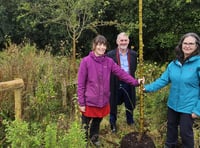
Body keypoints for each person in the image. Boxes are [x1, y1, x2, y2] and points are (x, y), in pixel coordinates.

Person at [77, 35, 143, 147]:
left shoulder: (109, 61)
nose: (102, 47)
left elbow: (121, 73)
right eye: (99, 44)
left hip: (103, 100)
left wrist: (136, 82)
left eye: (104, 45)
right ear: (94, 45)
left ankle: (94, 138)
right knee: (85, 124)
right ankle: (82, 142)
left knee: (97, 121)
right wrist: (81, 102)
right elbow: (81, 84)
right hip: (90, 100)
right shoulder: (86, 61)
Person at [144, 32, 200, 148]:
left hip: (188, 107)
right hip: (173, 105)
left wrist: (197, 109)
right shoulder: (174, 64)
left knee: (186, 134)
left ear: (196, 46)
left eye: (191, 44)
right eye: (185, 43)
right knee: (171, 132)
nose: (187, 46)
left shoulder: (198, 64)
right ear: (181, 45)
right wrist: (147, 88)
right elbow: (162, 80)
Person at [107, 32, 138, 133]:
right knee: (113, 104)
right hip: (115, 83)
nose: (123, 42)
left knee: (129, 102)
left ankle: (130, 121)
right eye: (121, 40)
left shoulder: (133, 54)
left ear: (128, 41)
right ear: (117, 42)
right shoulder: (110, 55)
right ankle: (113, 124)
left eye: (125, 40)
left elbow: (134, 68)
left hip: (129, 82)